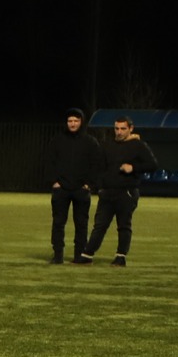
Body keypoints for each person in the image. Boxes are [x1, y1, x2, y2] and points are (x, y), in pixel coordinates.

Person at [80, 115, 158, 265]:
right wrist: (99, 186)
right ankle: (87, 254)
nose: (119, 132)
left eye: (123, 129)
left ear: (130, 129)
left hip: (126, 192)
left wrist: (133, 167)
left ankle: (120, 256)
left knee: (123, 225)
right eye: (117, 129)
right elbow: (100, 167)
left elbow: (153, 165)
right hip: (107, 192)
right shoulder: (107, 146)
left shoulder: (139, 146)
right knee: (100, 225)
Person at [47, 107, 103, 264]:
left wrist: (89, 184)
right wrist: (54, 182)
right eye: (70, 121)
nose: (72, 124)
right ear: (66, 123)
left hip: (81, 190)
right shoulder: (57, 141)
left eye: (76, 121)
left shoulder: (90, 142)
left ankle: (79, 255)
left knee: (81, 224)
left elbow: (96, 165)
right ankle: (58, 255)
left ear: (81, 122)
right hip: (61, 189)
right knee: (58, 223)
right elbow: (49, 162)